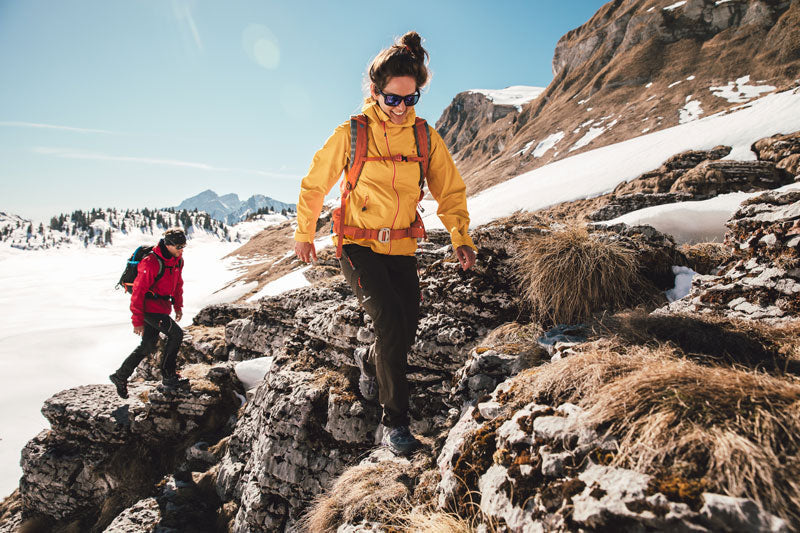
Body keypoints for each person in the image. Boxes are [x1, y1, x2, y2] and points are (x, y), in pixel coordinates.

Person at [294, 31, 477, 455]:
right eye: (392, 100)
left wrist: (460, 237)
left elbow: (450, 189)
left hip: (401, 248)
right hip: (356, 248)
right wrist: (305, 232)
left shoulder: (424, 137)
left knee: (405, 325)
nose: (400, 109)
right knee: (392, 320)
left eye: (410, 100)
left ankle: (372, 360)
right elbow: (314, 184)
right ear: (375, 93)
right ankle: (394, 423)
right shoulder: (353, 133)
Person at [110, 227, 190, 398]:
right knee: (176, 334)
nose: (182, 249)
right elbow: (138, 292)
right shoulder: (151, 262)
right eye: (178, 246)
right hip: (148, 309)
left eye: (183, 246)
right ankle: (168, 376)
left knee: (148, 345)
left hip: (161, 307)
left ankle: (120, 376)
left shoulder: (177, 260)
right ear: (168, 245)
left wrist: (178, 305)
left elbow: (178, 284)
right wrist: (137, 320)